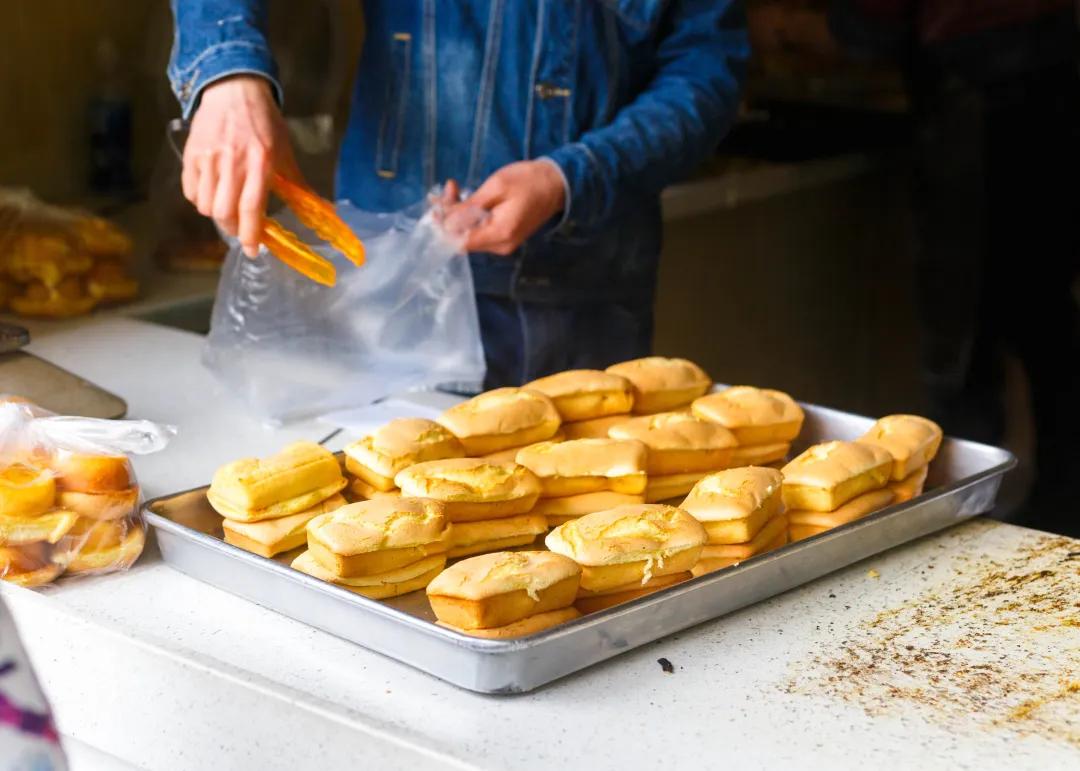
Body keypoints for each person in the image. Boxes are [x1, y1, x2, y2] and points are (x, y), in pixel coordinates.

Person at [169, 2, 749, 388]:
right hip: (391, 299)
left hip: (587, 302)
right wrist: (228, 75)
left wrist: (570, 176)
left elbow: (706, 71)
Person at [751, 1, 1079, 527]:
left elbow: (869, 26)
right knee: (1044, 315)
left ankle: (976, 525)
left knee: (967, 335)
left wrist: (792, 26)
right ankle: (1055, 510)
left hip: (979, 98)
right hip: (1051, 80)